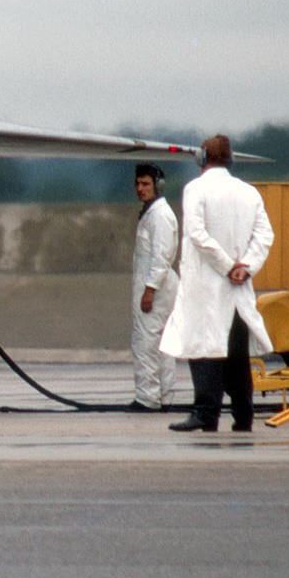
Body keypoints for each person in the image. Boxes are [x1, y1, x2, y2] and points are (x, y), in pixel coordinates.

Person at [161, 136, 275, 432]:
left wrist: (226, 267)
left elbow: (197, 234)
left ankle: (206, 412)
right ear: (231, 159)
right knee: (236, 354)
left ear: (201, 158)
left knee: (203, 349)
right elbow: (265, 235)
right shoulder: (249, 193)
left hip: (206, 286)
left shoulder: (195, 189)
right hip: (238, 289)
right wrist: (246, 267)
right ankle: (243, 414)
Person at [128, 163, 180, 410]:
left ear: (158, 186)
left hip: (156, 286)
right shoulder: (153, 213)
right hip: (159, 283)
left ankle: (148, 398)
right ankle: (164, 396)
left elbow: (162, 256)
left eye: (146, 184)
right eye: (138, 184)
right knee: (162, 343)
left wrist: (150, 289)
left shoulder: (159, 215)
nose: (140, 189)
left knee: (146, 342)